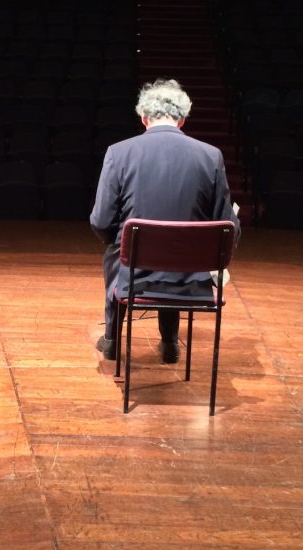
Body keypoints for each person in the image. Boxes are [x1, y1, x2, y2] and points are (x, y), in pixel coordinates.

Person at [89, 78, 239, 362]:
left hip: (133, 270)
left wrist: (115, 241)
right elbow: (226, 225)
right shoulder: (211, 156)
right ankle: (170, 342)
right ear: (182, 119)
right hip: (188, 274)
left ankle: (112, 339)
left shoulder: (118, 153)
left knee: (117, 249)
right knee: (174, 249)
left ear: (144, 117)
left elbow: (101, 220)